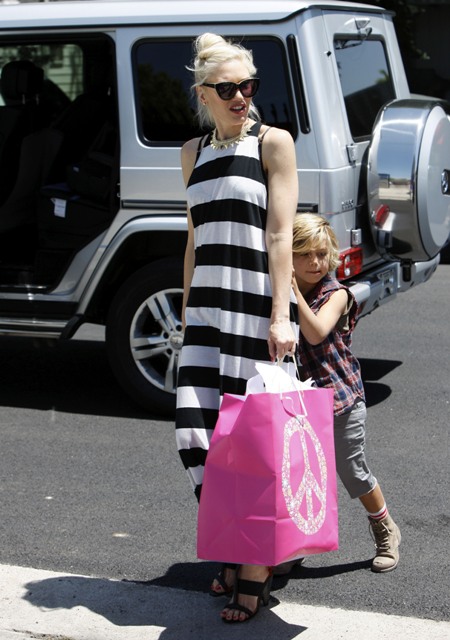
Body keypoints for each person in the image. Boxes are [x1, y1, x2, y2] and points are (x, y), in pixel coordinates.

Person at [175, 33, 299, 623]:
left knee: (253, 442)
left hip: (254, 310)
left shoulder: (273, 143)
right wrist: (186, 310)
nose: (241, 97)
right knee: (199, 438)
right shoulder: (191, 151)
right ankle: (237, 541)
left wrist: (281, 315)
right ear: (204, 94)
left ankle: (252, 566)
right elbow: (194, 237)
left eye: (248, 85)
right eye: (227, 88)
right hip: (205, 312)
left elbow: (279, 233)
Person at [289, 212, 401, 574]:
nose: (315, 262)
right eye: (305, 254)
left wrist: (291, 292)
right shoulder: (280, 293)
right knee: (298, 474)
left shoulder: (336, 294)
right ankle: (291, 545)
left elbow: (315, 332)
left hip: (341, 399)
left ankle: (386, 529)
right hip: (300, 402)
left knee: (352, 471)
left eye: (322, 254)